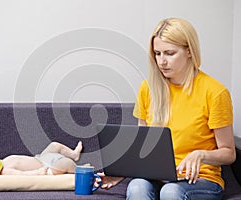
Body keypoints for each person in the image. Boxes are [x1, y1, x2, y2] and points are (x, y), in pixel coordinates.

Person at [95, 18, 236, 200]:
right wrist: (121, 173)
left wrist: (200, 155)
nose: (162, 61)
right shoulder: (148, 89)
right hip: (156, 176)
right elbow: (142, 149)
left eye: (169, 53)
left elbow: (229, 153)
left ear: (189, 52)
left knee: (171, 192)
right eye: (157, 53)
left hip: (200, 179)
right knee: (137, 187)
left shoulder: (215, 92)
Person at [0, 141, 82, 175]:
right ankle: (79, 172)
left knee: (55, 145)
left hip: (41, 158)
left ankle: (74, 154)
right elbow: (22, 175)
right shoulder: (6, 171)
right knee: (67, 164)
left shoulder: (5, 160)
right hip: (46, 167)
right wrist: (38, 172)